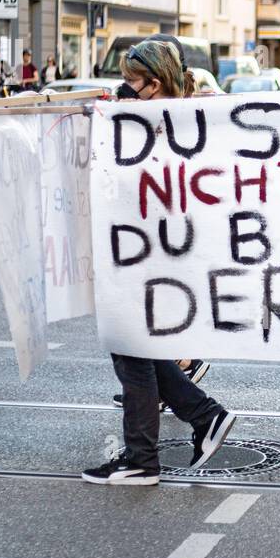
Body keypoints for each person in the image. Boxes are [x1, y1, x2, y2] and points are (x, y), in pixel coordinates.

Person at [82, 39, 236, 485]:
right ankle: (202, 416)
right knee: (137, 345)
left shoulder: (173, 120)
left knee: (130, 346)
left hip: (153, 249)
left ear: (154, 82)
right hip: (147, 246)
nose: (126, 89)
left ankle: (142, 458)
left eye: (133, 81)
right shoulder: (161, 116)